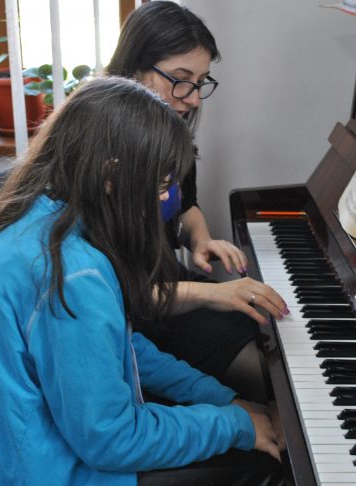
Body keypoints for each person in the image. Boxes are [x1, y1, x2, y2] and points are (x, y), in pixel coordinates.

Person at [0, 77, 284, 485]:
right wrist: (235, 426)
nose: (166, 199)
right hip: (46, 471)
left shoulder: (37, 215)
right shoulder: (73, 275)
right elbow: (112, 440)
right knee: (269, 463)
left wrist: (219, 398)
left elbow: (119, 348)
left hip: (16, 443)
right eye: (160, 183)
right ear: (111, 175)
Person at [106, 1, 288, 401]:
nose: (193, 99)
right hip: (138, 315)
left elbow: (184, 203)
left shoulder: (168, 128)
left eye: (201, 81)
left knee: (273, 334)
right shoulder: (107, 159)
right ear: (134, 69)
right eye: (180, 80)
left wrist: (201, 240)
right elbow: (118, 297)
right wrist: (213, 294)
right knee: (272, 377)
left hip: (169, 285)